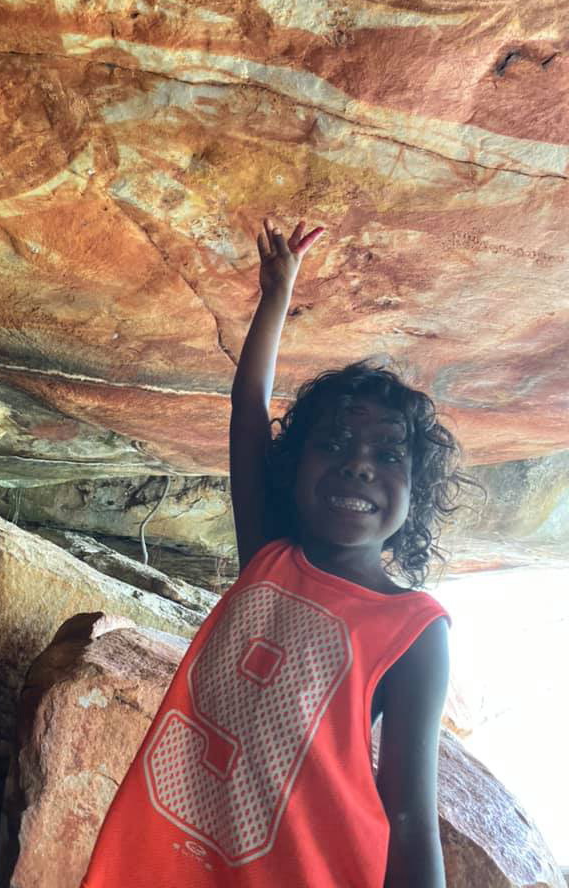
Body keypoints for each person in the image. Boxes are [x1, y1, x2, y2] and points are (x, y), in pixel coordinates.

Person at [81, 218, 474, 888]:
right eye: (334, 443)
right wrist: (276, 298)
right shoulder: (270, 553)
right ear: (291, 467)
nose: (358, 466)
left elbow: (409, 815)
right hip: (175, 855)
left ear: (418, 492)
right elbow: (249, 406)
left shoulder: (413, 629)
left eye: (387, 455)